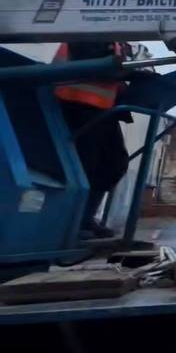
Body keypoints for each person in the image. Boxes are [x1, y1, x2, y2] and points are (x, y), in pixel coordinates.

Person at [54, 42, 130, 238]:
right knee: (86, 165)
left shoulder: (116, 41)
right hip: (76, 106)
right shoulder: (89, 30)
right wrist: (128, 72)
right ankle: (72, 223)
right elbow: (97, 64)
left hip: (101, 110)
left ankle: (85, 218)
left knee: (115, 163)